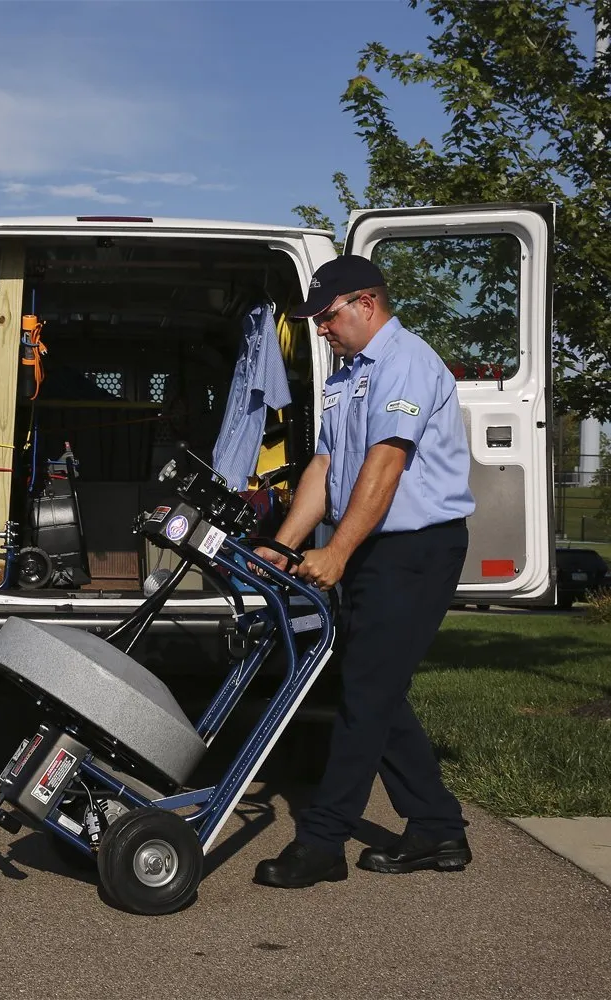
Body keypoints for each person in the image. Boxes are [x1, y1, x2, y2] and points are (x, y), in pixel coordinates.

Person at [252, 255, 476, 889]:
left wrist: (337, 553)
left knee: (365, 693)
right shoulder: (347, 375)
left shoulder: (405, 362)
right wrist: (285, 546)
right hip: (375, 548)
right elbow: (326, 468)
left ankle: (322, 841)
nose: (321, 329)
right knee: (373, 685)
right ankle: (437, 826)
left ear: (366, 304)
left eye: (327, 316)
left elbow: (385, 465)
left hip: (417, 549)